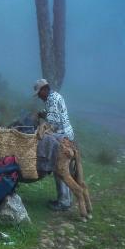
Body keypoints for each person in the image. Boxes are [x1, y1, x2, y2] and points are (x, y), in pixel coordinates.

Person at [33, 78, 75, 211]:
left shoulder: (51, 100)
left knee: (59, 168)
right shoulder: (54, 97)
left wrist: (40, 130)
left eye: (40, 93)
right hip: (68, 133)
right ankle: (67, 199)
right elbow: (54, 115)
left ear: (45, 89)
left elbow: (53, 124)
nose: (39, 97)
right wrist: (43, 114)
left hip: (61, 135)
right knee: (65, 169)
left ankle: (63, 202)